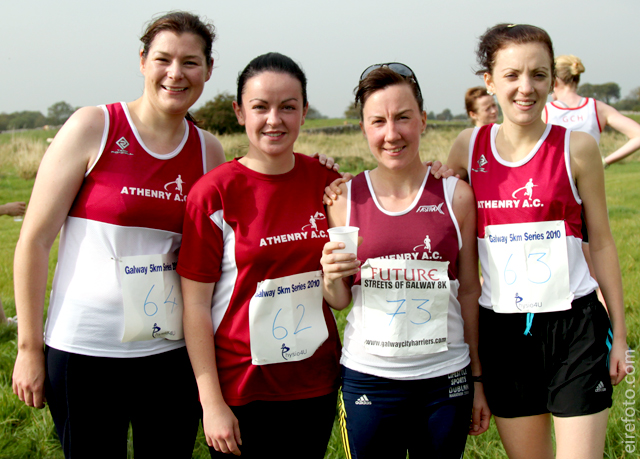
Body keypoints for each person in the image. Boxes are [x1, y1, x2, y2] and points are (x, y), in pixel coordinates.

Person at [11, 12, 226, 459]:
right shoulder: (95, 126)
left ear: (207, 70)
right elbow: (33, 240)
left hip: (169, 355)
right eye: (163, 58)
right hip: (85, 351)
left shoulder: (209, 150)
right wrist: (29, 348)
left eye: (190, 62)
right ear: (143, 61)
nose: (175, 73)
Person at [447, 24, 628, 459]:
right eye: (511, 75)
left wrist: (620, 333)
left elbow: (601, 242)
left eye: (539, 74)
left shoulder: (578, 149)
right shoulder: (467, 148)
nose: (526, 88)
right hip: (505, 336)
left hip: (575, 328)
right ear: (489, 81)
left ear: (552, 78)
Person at [177, 52, 342, 458]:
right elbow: (195, 305)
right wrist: (210, 402)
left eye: (288, 107)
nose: (274, 119)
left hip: (315, 382)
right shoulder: (213, 193)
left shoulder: (327, 182)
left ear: (304, 112)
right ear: (239, 112)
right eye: (260, 107)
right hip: (242, 389)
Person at [320, 63, 489, 459]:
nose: (391, 134)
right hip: (371, 380)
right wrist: (330, 278)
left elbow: (469, 291)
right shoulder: (343, 200)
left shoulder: (456, 196)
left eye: (403, 118)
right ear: (363, 127)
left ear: (424, 121)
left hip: (445, 379)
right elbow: (340, 298)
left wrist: (477, 377)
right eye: (378, 121)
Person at [545, 54, 640, 167]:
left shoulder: (545, 111)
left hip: (556, 180)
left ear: (554, 81)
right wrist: (605, 161)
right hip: (591, 179)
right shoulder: (597, 108)